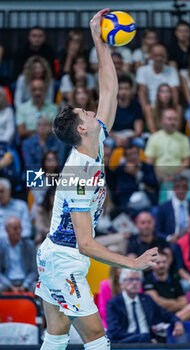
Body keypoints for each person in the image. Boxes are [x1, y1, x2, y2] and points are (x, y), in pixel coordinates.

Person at [35, 9, 159, 350]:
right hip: (64, 259)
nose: (93, 111)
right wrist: (132, 264)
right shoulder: (79, 174)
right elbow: (87, 243)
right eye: (85, 113)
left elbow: (110, 91)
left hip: (55, 255)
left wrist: (99, 42)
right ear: (81, 129)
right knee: (97, 340)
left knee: (56, 337)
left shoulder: (95, 142)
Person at [106, 269, 184, 343]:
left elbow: (166, 314)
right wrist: (142, 338)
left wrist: (177, 322)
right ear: (122, 283)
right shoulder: (114, 303)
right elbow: (114, 332)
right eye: (130, 279)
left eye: (137, 279)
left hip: (147, 343)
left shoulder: (146, 299)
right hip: (126, 343)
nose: (134, 283)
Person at [143, 250, 190, 321]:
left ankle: (171, 323)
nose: (161, 265)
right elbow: (157, 303)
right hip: (158, 315)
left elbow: (183, 302)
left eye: (164, 262)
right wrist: (175, 303)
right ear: (152, 265)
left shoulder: (174, 280)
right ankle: (173, 322)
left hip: (175, 314)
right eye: (158, 263)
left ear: (168, 263)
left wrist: (167, 304)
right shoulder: (148, 280)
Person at [145, 108, 190, 181]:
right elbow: (149, 162)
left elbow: (186, 161)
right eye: (169, 119)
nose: (173, 122)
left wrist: (175, 175)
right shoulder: (153, 138)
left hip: (179, 174)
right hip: (158, 175)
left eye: (175, 119)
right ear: (162, 120)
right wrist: (161, 176)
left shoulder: (184, 139)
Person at [110, 143, 158, 213]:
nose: (133, 157)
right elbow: (124, 189)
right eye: (130, 155)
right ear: (125, 158)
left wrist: (136, 173)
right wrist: (144, 186)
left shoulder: (148, 167)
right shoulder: (121, 170)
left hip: (148, 204)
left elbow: (154, 184)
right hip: (129, 207)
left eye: (135, 153)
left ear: (139, 154)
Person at [155, 175, 190, 243]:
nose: (181, 190)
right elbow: (157, 232)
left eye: (184, 187)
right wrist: (169, 238)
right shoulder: (163, 208)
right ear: (173, 188)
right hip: (172, 243)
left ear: (188, 188)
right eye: (178, 187)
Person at [136, 44, 180, 112]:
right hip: (150, 107)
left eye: (162, 56)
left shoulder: (172, 71)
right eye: (156, 55)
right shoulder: (142, 70)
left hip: (167, 106)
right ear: (151, 56)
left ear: (166, 57)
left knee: (179, 108)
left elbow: (175, 91)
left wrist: (173, 109)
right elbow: (142, 91)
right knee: (147, 109)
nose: (159, 58)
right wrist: (145, 109)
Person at [0, 216, 37, 293]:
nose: (19, 231)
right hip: (7, 281)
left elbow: (34, 271)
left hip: (25, 281)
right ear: (7, 230)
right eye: (15, 228)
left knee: (38, 288)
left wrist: (25, 285)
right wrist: (9, 285)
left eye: (20, 228)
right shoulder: (1, 246)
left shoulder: (29, 245)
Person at [109, 75, 144, 147]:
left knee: (140, 142)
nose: (123, 92)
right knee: (108, 143)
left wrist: (128, 139)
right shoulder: (111, 106)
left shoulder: (136, 106)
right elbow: (107, 130)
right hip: (115, 136)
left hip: (131, 135)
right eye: (121, 89)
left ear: (131, 90)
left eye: (126, 89)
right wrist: (116, 138)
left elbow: (138, 131)